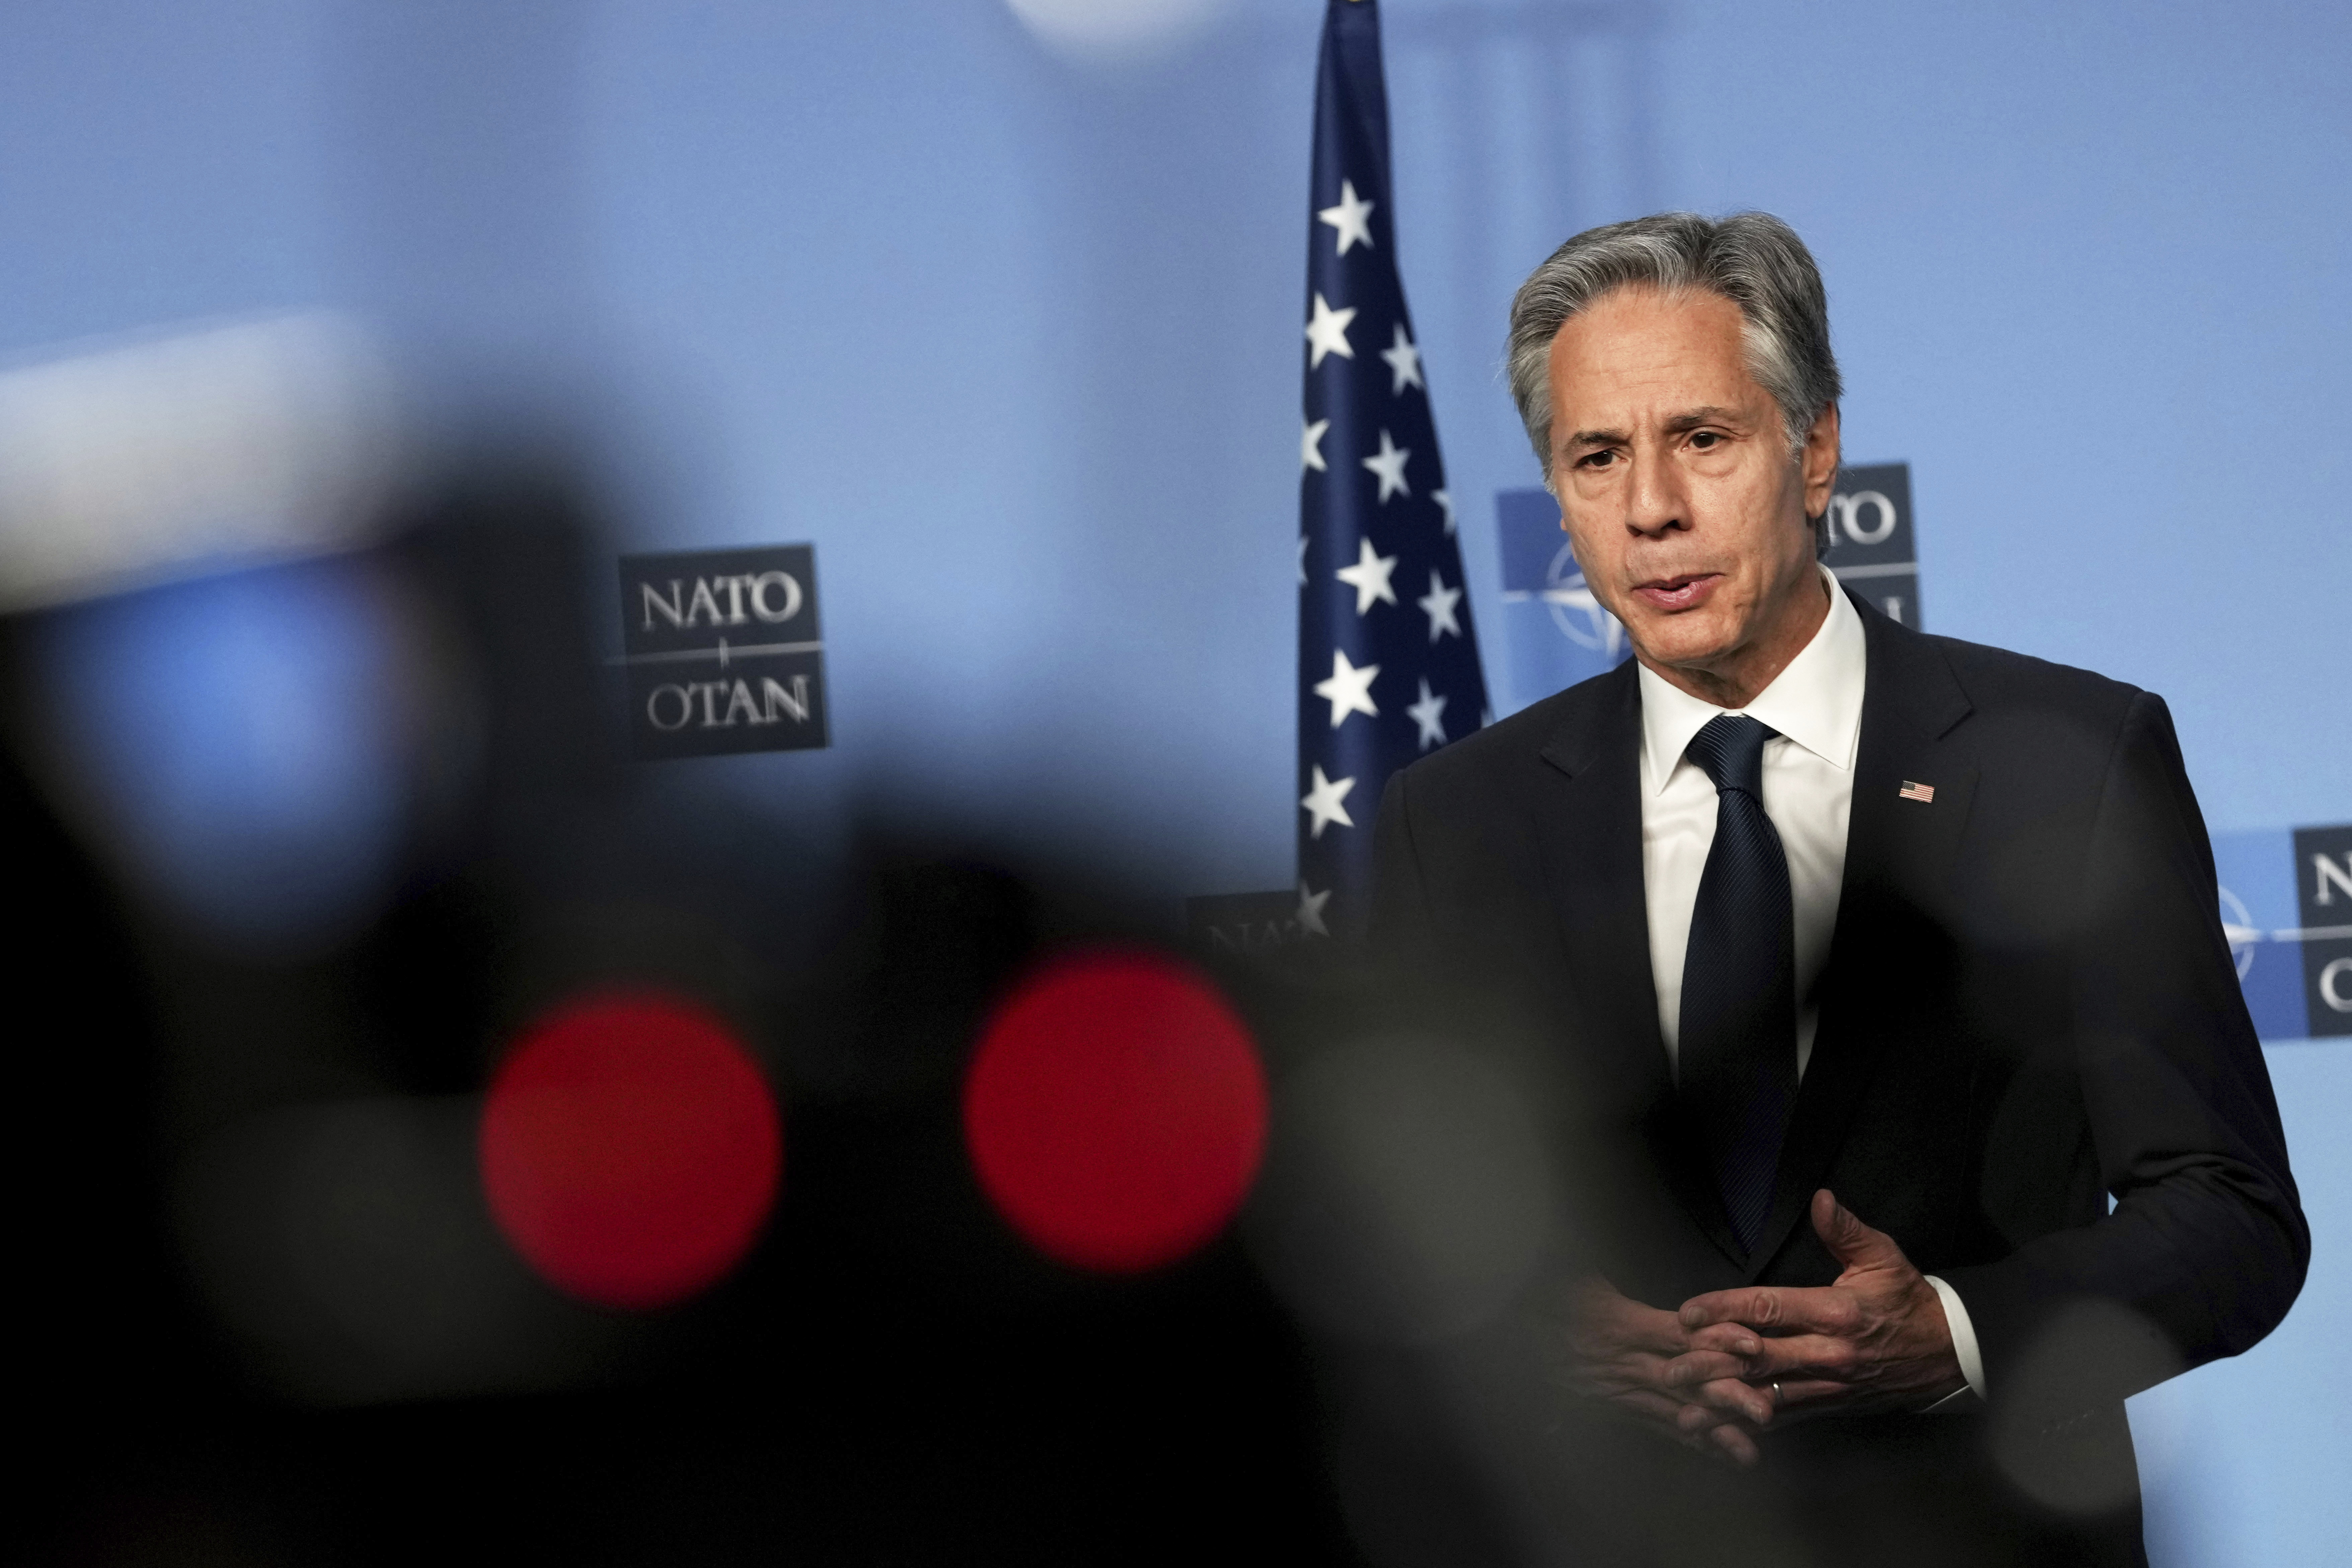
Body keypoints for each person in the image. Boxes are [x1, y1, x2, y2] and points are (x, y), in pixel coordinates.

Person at [1369, 211, 2306, 1564]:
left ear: (1811, 453)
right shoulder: (1450, 821)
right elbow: (1375, 1236)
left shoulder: (2065, 765)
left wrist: (1956, 1333)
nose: (1648, 509)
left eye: (1700, 438)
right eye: (1595, 456)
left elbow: (2226, 1216)